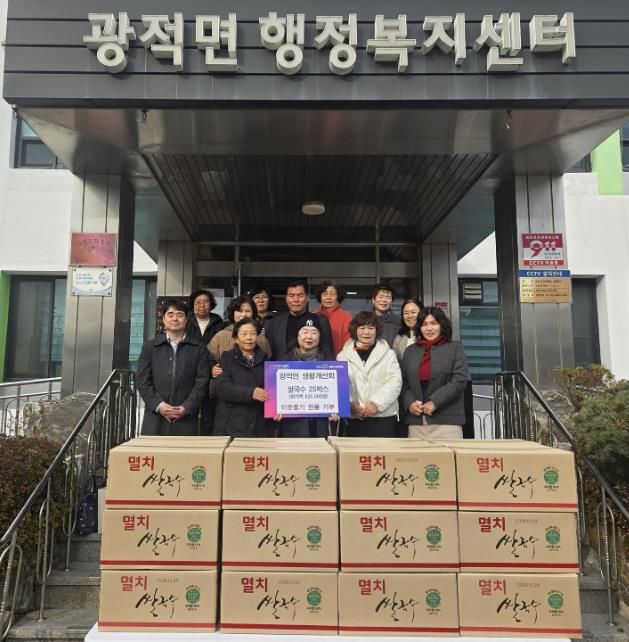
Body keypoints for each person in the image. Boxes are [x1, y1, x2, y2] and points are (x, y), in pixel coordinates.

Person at [136, 299, 210, 436]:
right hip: (155, 417)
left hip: (186, 418)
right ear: (163, 319)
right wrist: (159, 405)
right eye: (170, 314)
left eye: (180, 314)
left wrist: (186, 407)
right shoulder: (150, 347)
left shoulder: (199, 349)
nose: (175, 318)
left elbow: (202, 382)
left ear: (186, 320)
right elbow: (142, 380)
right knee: (153, 450)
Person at [401, 306, 470, 439]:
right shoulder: (410, 351)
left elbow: (459, 380)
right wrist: (409, 403)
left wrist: (435, 402)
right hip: (416, 422)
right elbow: (404, 382)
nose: (429, 328)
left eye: (434, 323)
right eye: (424, 324)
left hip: (447, 423)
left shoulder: (454, 348)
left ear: (442, 325)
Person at [337, 311, 402, 437]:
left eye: (371, 328)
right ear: (355, 330)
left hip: (383, 417)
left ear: (377, 330)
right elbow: (340, 385)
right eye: (362, 328)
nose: (366, 332)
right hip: (354, 418)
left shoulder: (389, 354)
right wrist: (350, 404)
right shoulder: (342, 356)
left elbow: (395, 382)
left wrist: (376, 404)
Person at [275, 319, 338, 438]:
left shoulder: (329, 361)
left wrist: (337, 408)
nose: (309, 336)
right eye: (305, 332)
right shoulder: (284, 360)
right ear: (297, 335)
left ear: (320, 337)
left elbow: (339, 391)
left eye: (314, 332)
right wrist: (275, 407)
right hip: (292, 426)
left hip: (321, 425)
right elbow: (275, 391)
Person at [213, 319, 270, 437]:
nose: (249, 338)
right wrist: (251, 393)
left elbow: (272, 392)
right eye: (244, 334)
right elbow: (222, 388)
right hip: (231, 425)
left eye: (252, 333)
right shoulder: (227, 358)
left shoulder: (266, 361)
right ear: (236, 338)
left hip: (259, 427)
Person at [208, 295, 271, 396]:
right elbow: (206, 359)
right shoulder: (221, 335)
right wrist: (210, 369)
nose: (243, 314)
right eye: (239, 311)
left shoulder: (261, 339)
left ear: (253, 313)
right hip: (226, 392)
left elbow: (269, 364)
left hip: (256, 394)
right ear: (233, 313)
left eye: (247, 311)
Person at [185, 289, 225, 434]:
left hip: (213, 374)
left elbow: (220, 350)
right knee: (190, 410)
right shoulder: (185, 322)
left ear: (211, 304)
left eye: (206, 302)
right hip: (190, 372)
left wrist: (212, 368)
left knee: (209, 413)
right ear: (192, 305)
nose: (202, 305)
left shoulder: (219, 323)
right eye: (198, 302)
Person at [264, 280, 334, 360]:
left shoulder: (321, 321)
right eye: (291, 296)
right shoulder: (274, 323)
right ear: (286, 298)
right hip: (280, 367)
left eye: (300, 295)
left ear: (307, 298)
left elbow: (328, 353)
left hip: (314, 367)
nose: (296, 300)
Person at [392, 297, 422, 436]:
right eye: (406, 313)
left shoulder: (427, 334)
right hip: (404, 390)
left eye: (413, 312)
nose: (409, 316)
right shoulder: (399, 337)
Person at [314, 280, 352, 357]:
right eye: (325, 294)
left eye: (332, 294)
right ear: (320, 297)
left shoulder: (346, 317)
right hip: (316, 362)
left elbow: (349, 344)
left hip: (339, 361)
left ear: (338, 296)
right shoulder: (313, 316)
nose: (328, 298)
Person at [371, 282, 401, 347]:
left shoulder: (399, 322)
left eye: (388, 297)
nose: (384, 300)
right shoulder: (365, 320)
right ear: (373, 300)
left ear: (392, 301)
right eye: (381, 297)